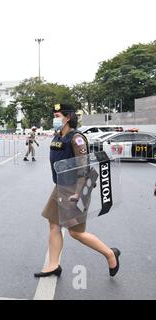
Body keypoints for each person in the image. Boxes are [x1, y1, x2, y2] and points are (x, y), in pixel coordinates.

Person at [35, 103, 121, 278]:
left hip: (75, 189)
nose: (55, 118)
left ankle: (110, 254)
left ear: (68, 117)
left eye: (58, 115)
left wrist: (78, 192)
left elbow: (83, 166)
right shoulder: (59, 136)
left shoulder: (77, 138)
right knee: (53, 225)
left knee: (76, 233)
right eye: (54, 115)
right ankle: (53, 265)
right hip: (60, 186)